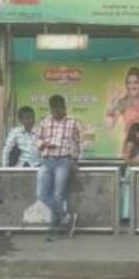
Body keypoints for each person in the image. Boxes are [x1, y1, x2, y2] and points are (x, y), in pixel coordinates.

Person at [35, 94, 81, 241]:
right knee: (41, 195)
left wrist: (75, 160)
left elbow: (78, 142)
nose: (56, 113)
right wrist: (44, 145)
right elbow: (36, 139)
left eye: (58, 110)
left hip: (64, 160)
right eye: (53, 111)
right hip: (47, 160)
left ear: (64, 107)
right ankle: (65, 216)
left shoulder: (73, 122)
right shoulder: (45, 122)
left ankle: (56, 222)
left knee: (58, 194)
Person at [105, 66, 139, 150]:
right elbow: (108, 127)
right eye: (129, 83)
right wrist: (111, 106)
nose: (132, 86)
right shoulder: (123, 102)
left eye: (136, 83)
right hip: (130, 148)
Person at [119, 121, 139, 223]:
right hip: (131, 173)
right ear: (137, 132)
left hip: (138, 173)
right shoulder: (131, 144)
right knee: (129, 194)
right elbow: (127, 159)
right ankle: (126, 216)